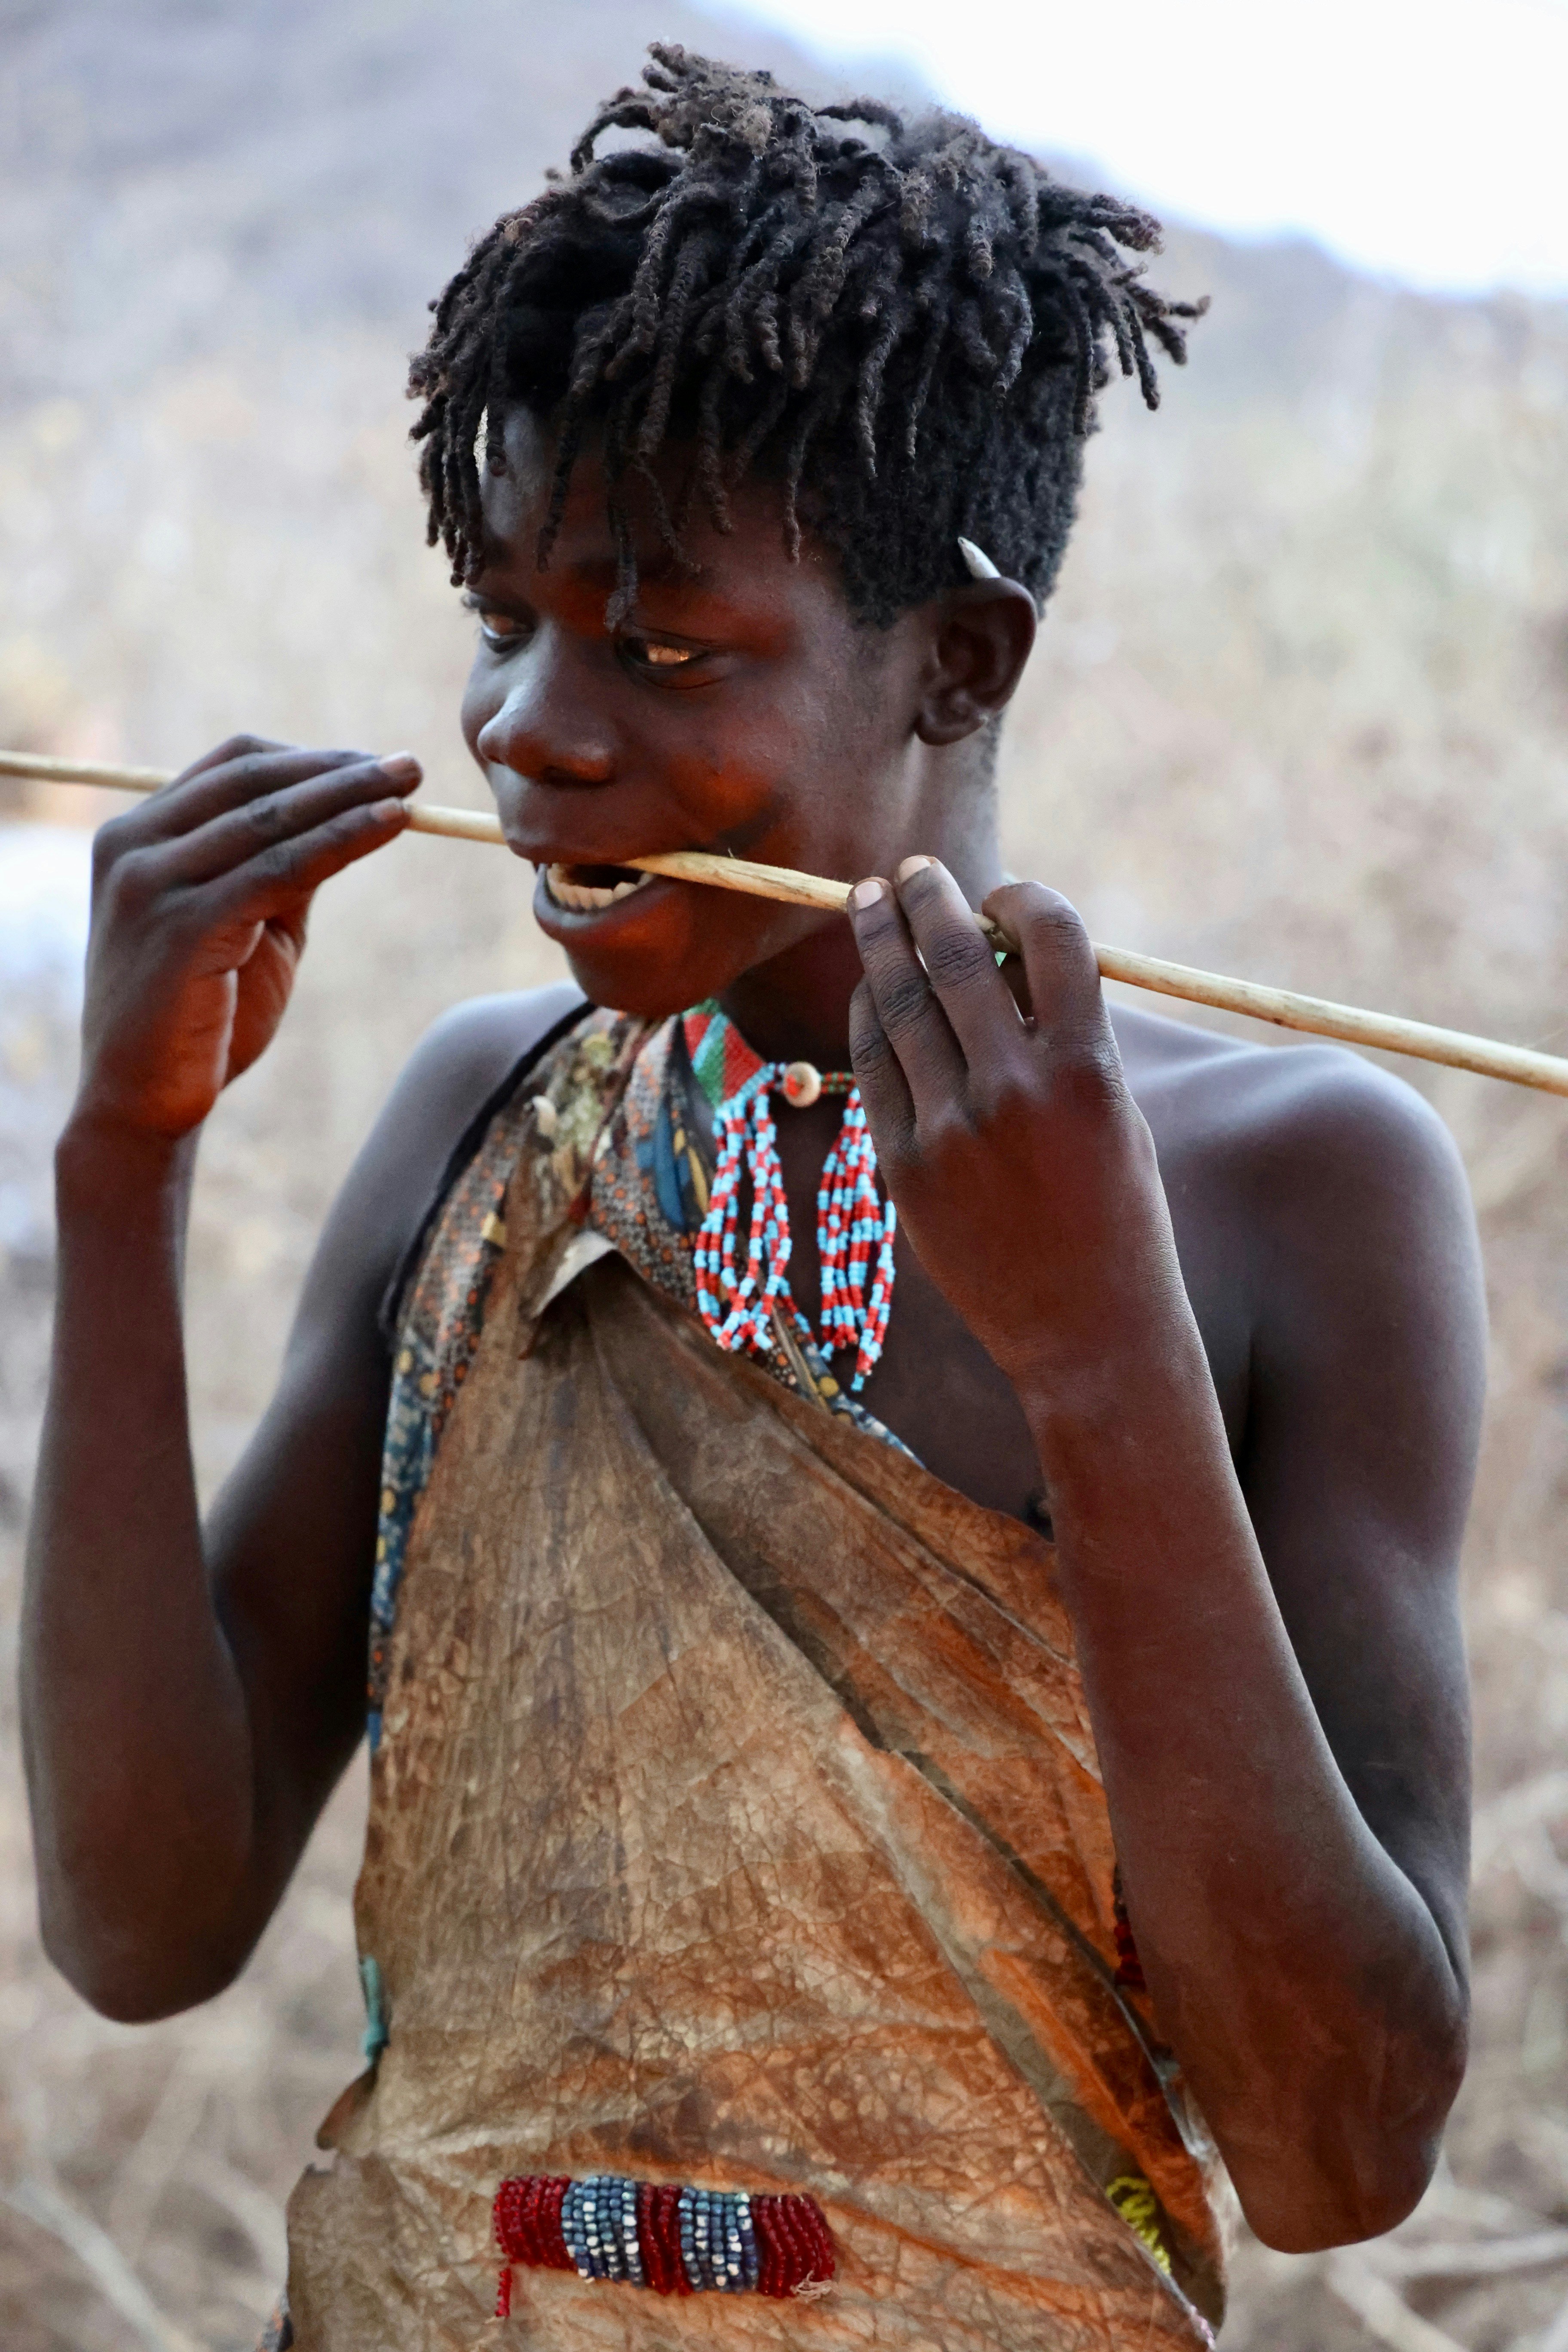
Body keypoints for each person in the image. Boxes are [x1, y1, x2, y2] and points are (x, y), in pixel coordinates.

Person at [24, 45, 1485, 2352]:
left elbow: (1334, 2154)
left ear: (963, 658)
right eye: (502, 615)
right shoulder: (482, 1118)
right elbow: (140, 1928)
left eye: (666, 643)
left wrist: (1103, 1355)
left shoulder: (1295, 1189)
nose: (530, 722)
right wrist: (124, 1165)